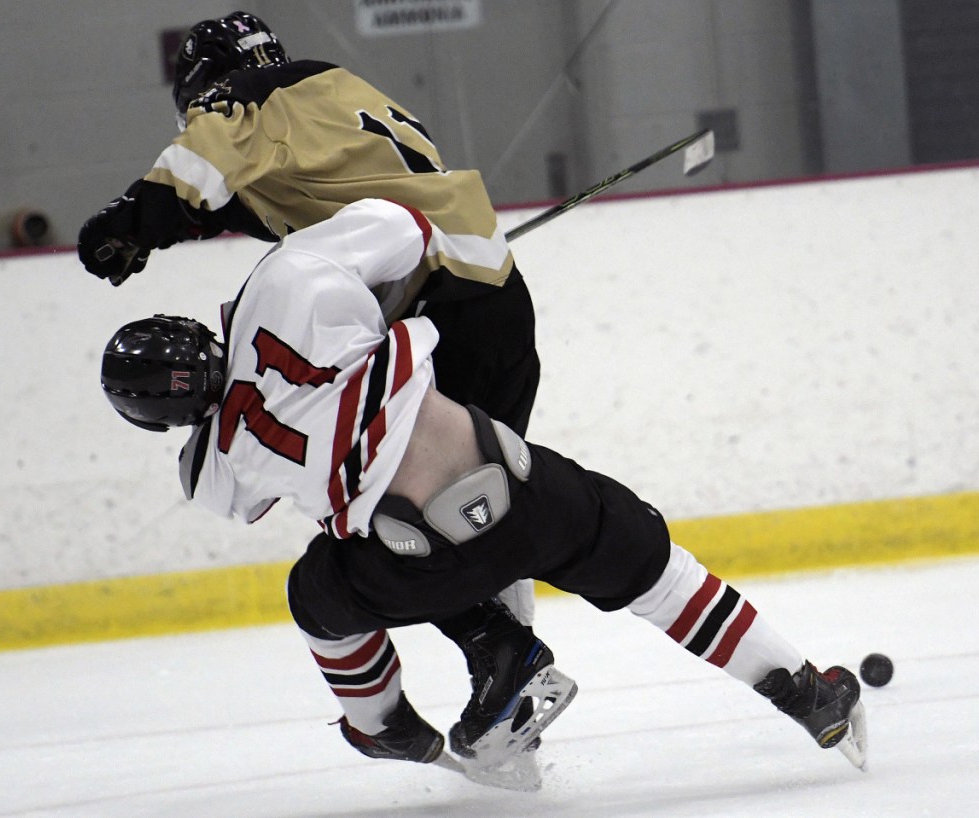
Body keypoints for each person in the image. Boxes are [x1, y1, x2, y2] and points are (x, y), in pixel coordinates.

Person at [100, 198, 868, 787]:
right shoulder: (284, 278)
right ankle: (805, 692)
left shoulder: (212, 467)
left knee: (319, 590)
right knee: (653, 570)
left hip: (420, 567)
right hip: (524, 498)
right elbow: (406, 226)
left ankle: (389, 719)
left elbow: (241, 479)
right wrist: (371, 299)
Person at [77, 8, 540, 737]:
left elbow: (201, 163)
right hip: (496, 295)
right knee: (485, 499)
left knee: (378, 497)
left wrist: (126, 223)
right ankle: (516, 682)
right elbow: (265, 201)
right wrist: (186, 223)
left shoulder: (250, 99)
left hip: (435, 316)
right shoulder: (329, 98)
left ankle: (505, 654)